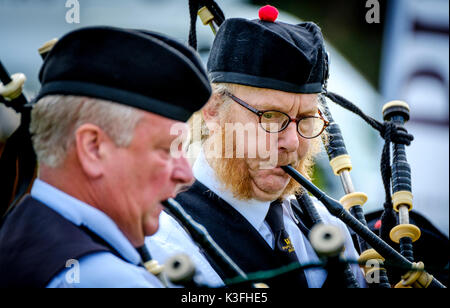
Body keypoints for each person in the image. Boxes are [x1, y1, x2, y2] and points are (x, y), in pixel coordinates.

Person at [148, 6, 366, 287]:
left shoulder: (330, 225)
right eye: (271, 117)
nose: (292, 143)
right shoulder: (166, 244)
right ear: (213, 110)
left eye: (306, 119)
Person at [0, 26, 211, 287]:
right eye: (165, 149)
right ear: (92, 148)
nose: (186, 175)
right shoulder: (104, 279)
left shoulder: (20, 236)